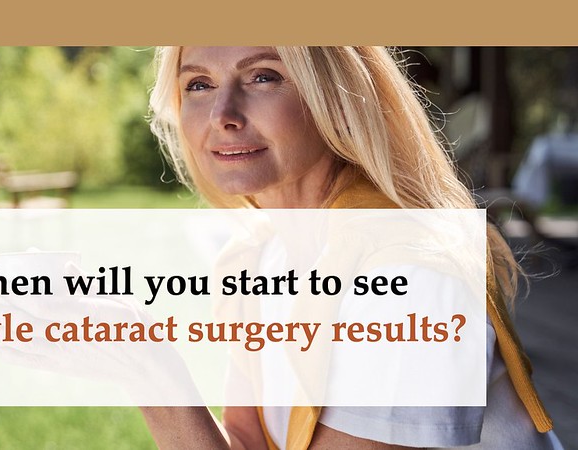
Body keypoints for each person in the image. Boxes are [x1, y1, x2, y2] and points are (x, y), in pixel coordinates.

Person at [143, 46, 563, 449]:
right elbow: (248, 444)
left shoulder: (406, 276)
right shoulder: (253, 260)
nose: (222, 115)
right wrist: (143, 364)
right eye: (198, 84)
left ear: (338, 99)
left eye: (263, 77)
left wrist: (152, 373)